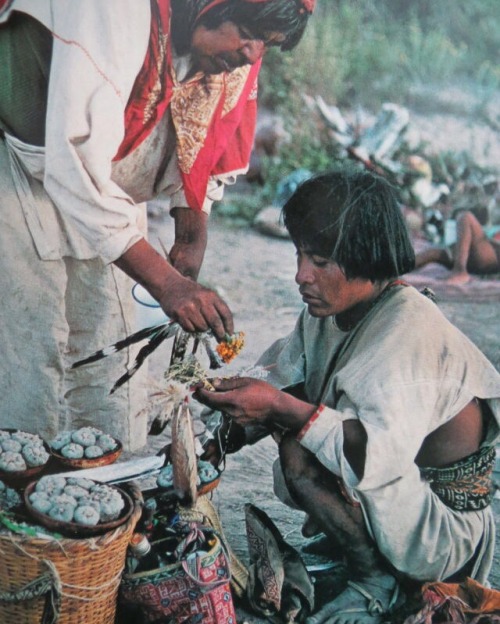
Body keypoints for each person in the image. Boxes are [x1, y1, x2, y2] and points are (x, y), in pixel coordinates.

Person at [195, 169, 500, 624]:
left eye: (319, 260)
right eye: (299, 254)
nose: (301, 275)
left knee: (298, 442)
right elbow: (286, 376)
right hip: (400, 494)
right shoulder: (329, 310)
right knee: (293, 414)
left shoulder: (409, 329)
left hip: (442, 531)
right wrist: (220, 431)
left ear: (367, 260)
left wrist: (277, 407)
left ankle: (374, 579)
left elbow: (376, 453)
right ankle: (364, 551)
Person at [0, 0, 313, 450]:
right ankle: (24, 498)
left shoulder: (229, 54)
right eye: (248, 31)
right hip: (23, 162)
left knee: (112, 350)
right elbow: (73, 165)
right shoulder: (112, 14)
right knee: (32, 346)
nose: (252, 52)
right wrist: (167, 284)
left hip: (105, 181)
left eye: (268, 44)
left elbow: (205, 138)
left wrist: (190, 237)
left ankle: (112, 484)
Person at [414, 209, 500, 285]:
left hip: (489, 257)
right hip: (473, 257)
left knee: (466, 217)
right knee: (432, 253)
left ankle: (460, 270)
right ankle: (402, 267)